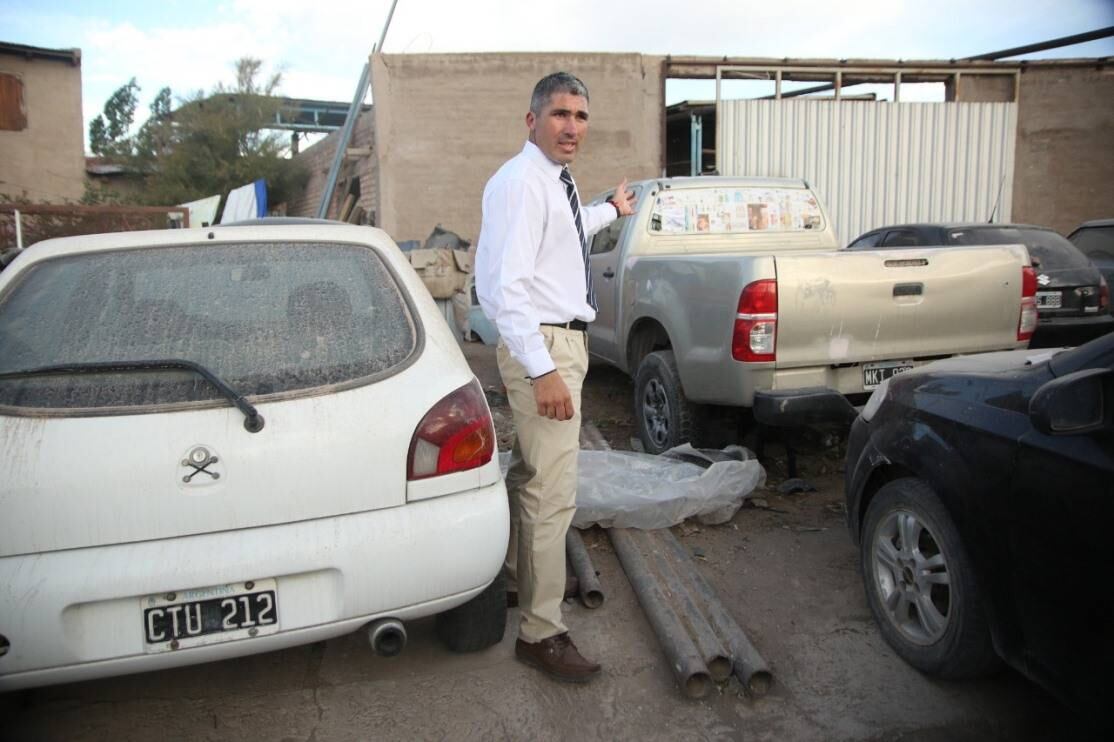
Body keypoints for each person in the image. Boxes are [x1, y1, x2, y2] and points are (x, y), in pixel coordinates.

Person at [475, 72, 634, 683]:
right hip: (542, 343)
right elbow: (503, 288)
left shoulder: (553, 183)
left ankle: (515, 579)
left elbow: (565, 229)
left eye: (581, 116)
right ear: (532, 120)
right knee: (551, 493)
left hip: (556, 339)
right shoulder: (521, 183)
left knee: (531, 476)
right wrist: (543, 370)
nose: (572, 126)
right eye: (560, 114)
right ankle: (541, 633)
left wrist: (609, 212)